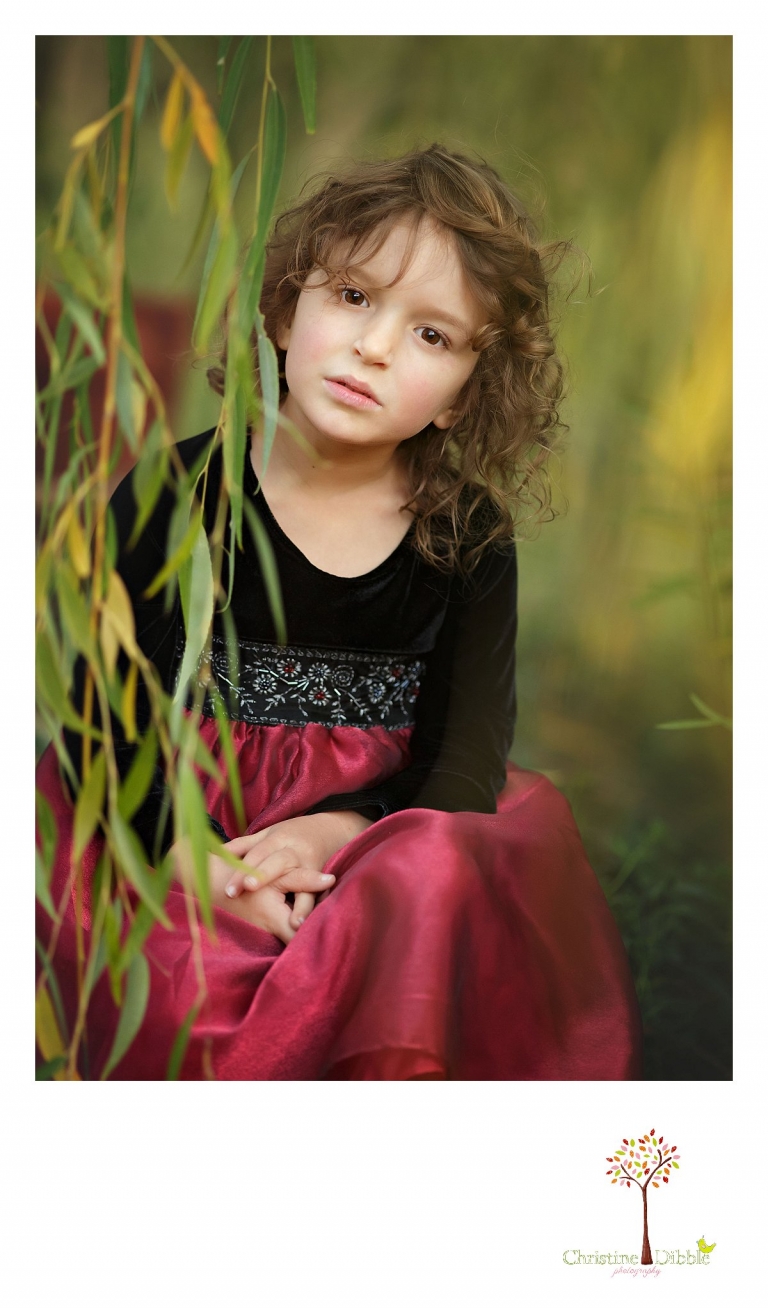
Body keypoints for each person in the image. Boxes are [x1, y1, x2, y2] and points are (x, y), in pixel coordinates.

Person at [36, 145, 642, 1080]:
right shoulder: (175, 495)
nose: (375, 346)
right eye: (355, 297)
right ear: (285, 311)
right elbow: (109, 724)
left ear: (462, 399)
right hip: (169, 827)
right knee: (181, 984)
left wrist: (338, 836)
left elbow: (466, 757)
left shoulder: (466, 537)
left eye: (432, 336)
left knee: (435, 872)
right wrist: (201, 865)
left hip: (373, 845)